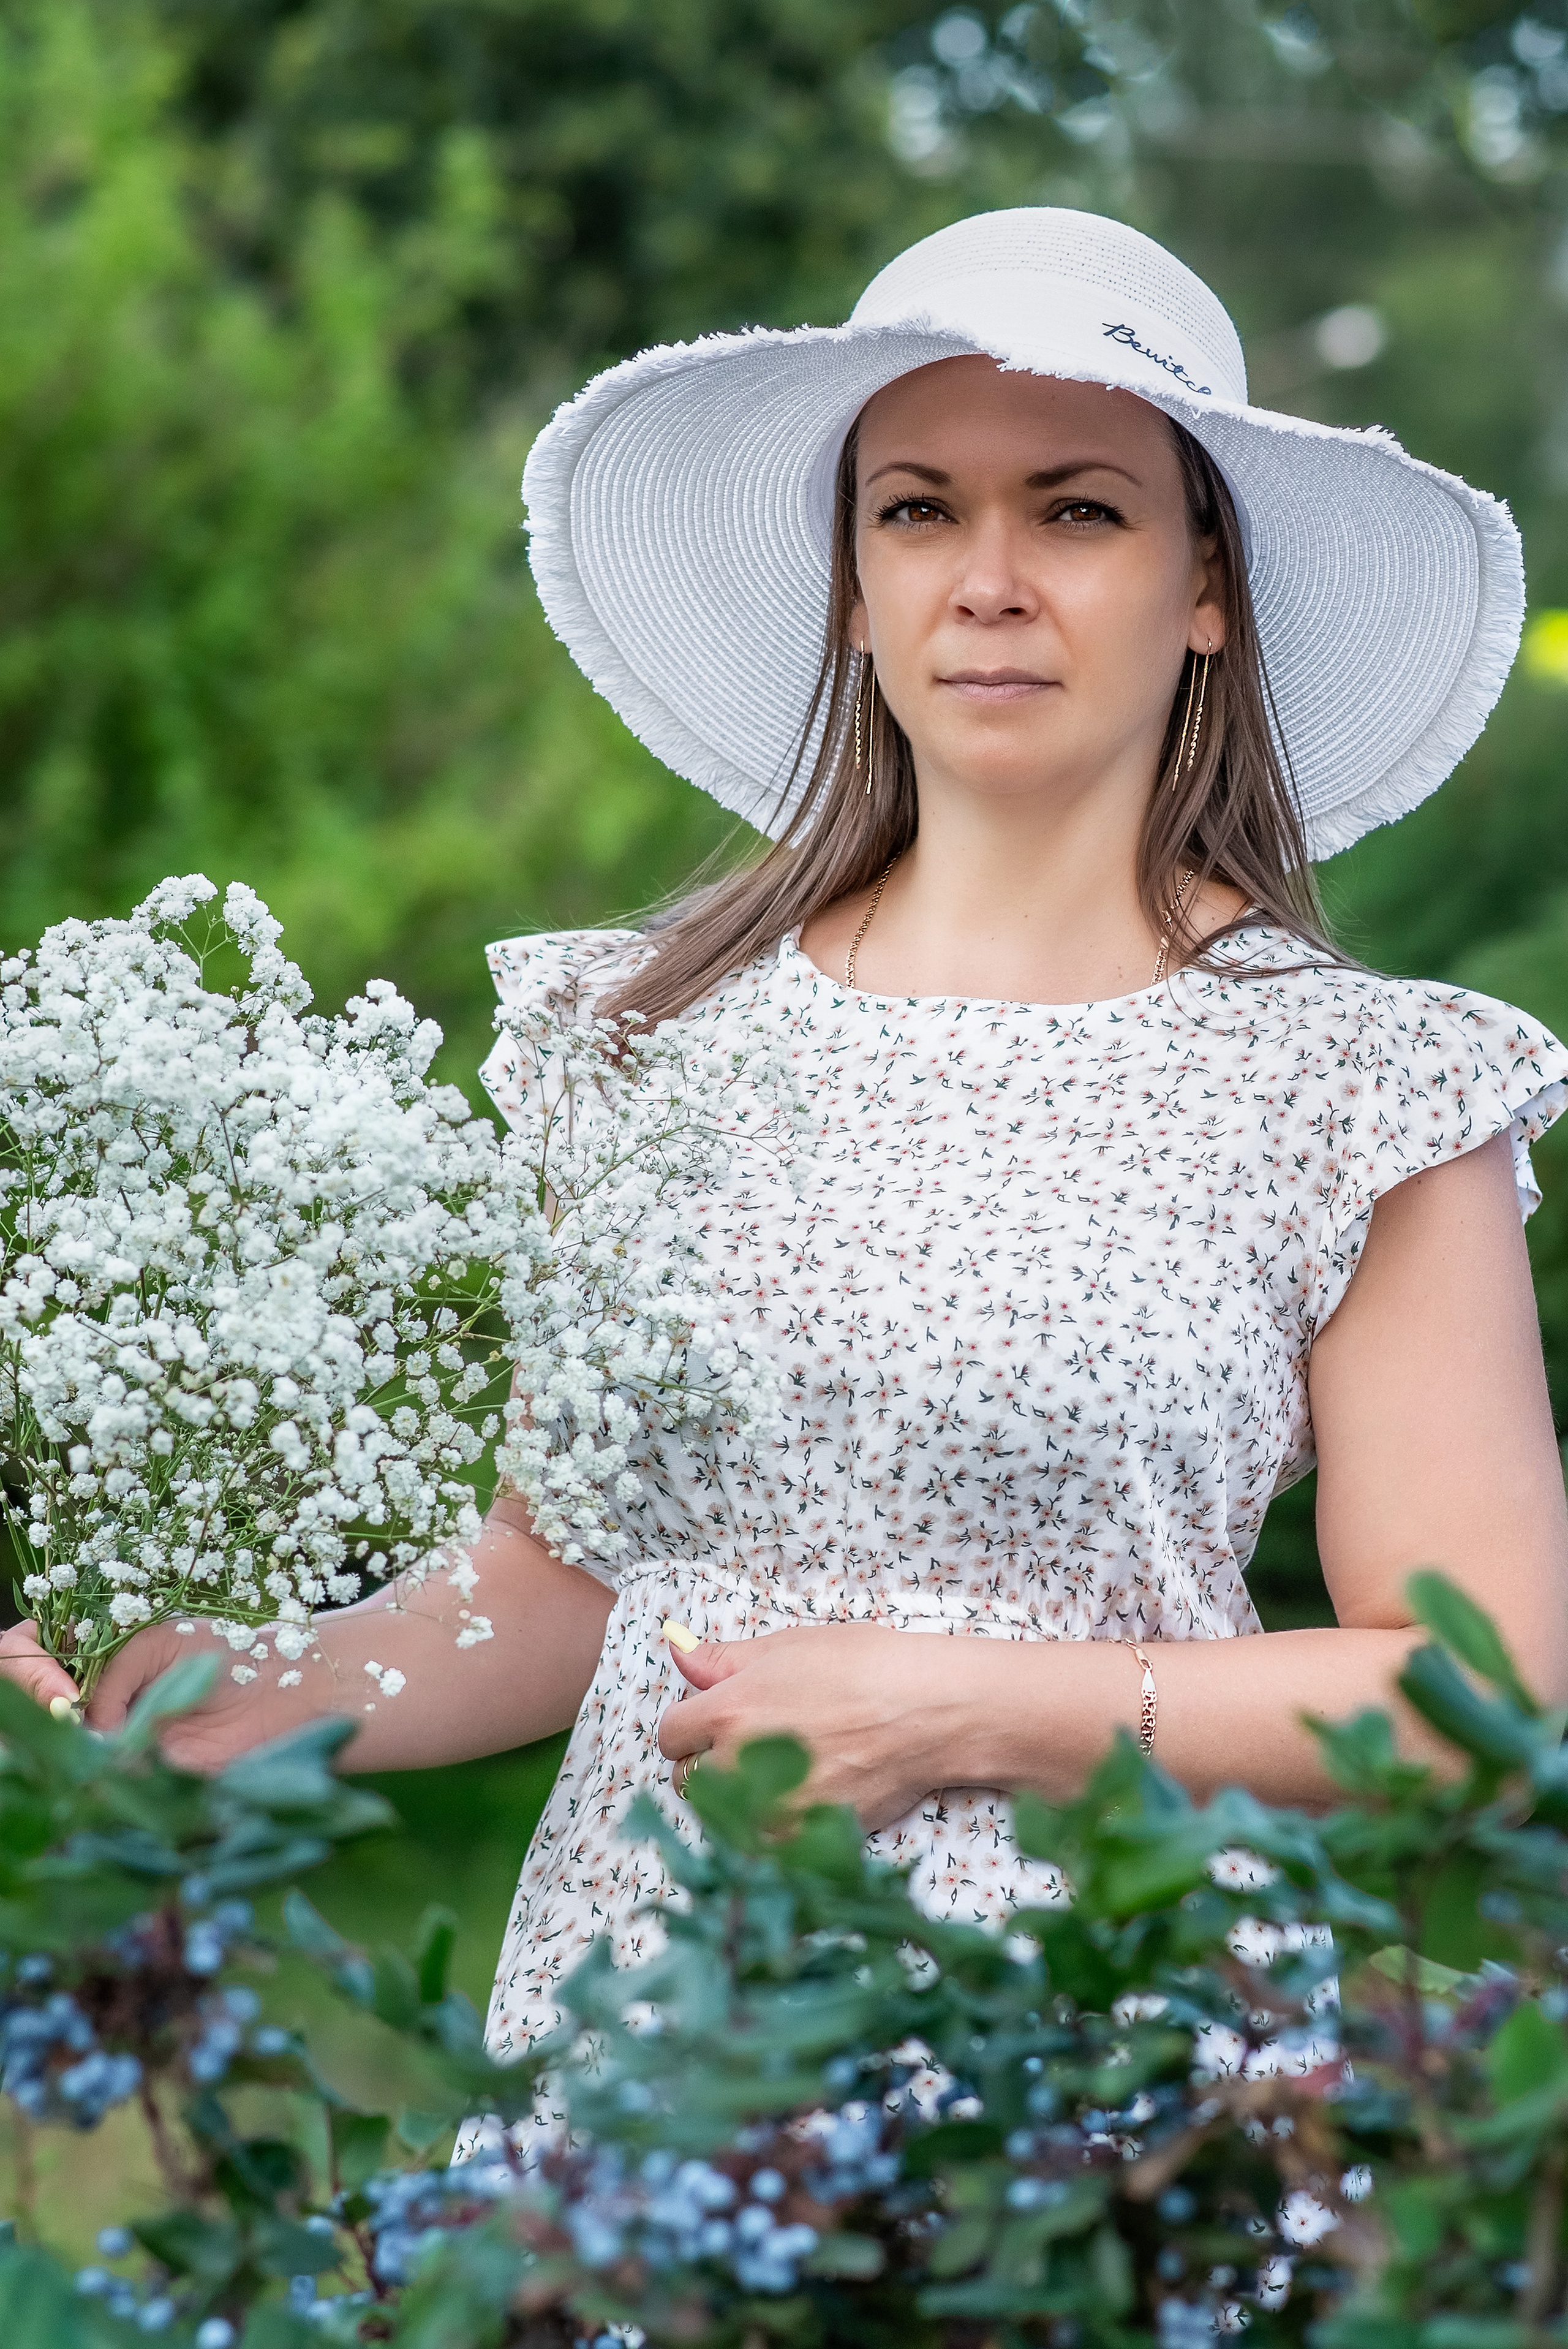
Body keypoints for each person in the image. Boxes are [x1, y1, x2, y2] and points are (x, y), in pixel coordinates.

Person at [6, 208, 1568, 2100]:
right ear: (848, 580)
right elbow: (564, 1574)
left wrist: (969, 1709)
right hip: (664, 2050)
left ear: (1207, 583)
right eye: (918, 510)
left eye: (1078, 511)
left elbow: (1483, 1692)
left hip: (1120, 2076)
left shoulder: (1361, 1083)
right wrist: (234, 1695)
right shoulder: (651, 1039)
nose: (988, 579)